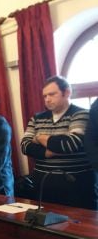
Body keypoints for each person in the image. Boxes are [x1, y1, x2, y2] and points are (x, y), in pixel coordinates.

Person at [21, 76, 97, 209]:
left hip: (76, 185)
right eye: (44, 96)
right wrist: (48, 151)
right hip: (43, 185)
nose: (47, 99)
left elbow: (70, 144)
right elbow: (25, 146)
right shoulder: (37, 118)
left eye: (52, 94)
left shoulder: (81, 114)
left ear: (67, 92)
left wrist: (39, 138)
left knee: (79, 227)